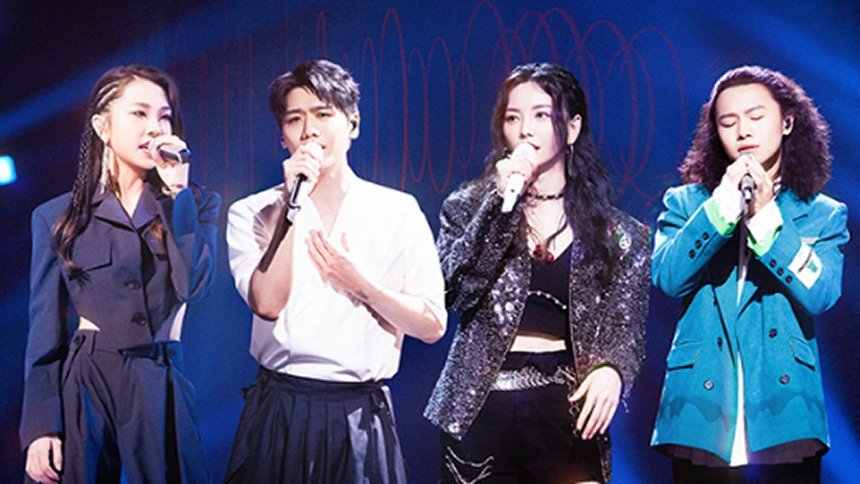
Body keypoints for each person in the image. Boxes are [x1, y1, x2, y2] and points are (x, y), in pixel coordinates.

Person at [424, 62, 650, 483]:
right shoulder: (468, 208)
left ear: (573, 127)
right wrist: (498, 206)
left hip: (568, 412)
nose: (525, 130)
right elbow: (455, 292)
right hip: (480, 408)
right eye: (513, 118)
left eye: (541, 115)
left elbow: (626, 328)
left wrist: (613, 370)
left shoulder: (621, 235)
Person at [223, 59, 446, 483]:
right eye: (295, 119)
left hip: (360, 413)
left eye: (323, 114)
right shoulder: (252, 212)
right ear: (283, 137)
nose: (309, 130)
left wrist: (360, 284)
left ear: (353, 123)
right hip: (282, 406)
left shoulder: (397, 211)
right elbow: (267, 303)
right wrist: (290, 209)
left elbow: (432, 325)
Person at [21, 64, 219, 483]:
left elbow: (195, 286)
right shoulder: (58, 217)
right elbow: (44, 331)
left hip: (159, 376)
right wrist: (41, 426)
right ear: (102, 126)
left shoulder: (195, 204)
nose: (155, 128)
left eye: (164, 116)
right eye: (139, 113)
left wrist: (178, 194)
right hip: (87, 377)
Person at [651, 65, 848, 483]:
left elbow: (821, 293)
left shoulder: (822, 213)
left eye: (756, 116)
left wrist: (765, 219)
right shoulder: (687, 204)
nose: (743, 131)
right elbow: (668, 277)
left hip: (786, 404)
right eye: (728, 122)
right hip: (699, 404)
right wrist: (721, 210)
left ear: (787, 121)